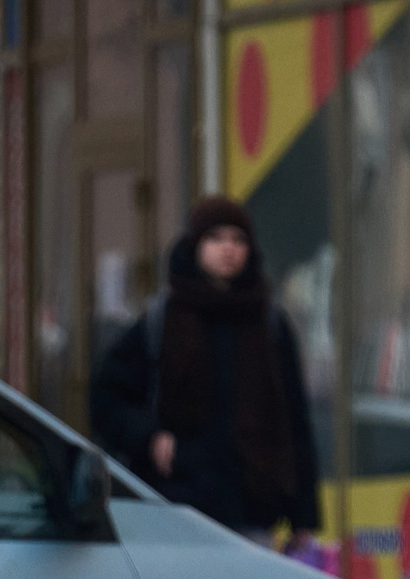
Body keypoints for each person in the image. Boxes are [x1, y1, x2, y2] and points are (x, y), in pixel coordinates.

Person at [90, 196, 320, 545]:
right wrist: (150, 437)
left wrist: (303, 516)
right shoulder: (162, 320)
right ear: (195, 246)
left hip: (253, 508)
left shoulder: (270, 323)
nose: (228, 249)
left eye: (238, 239)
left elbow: (294, 421)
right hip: (177, 505)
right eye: (215, 238)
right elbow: (106, 397)